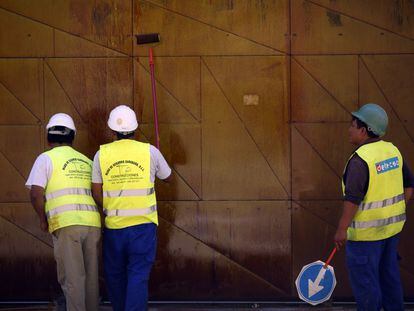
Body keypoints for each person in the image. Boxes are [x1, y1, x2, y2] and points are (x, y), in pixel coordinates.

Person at [334, 103, 414, 310]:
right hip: (390, 233)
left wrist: (342, 230)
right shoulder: (392, 151)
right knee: (389, 280)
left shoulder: (360, 160)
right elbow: (409, 185)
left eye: (352, 125)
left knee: (367, 286)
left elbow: (352, 199)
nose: (349, 130)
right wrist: (397, 209)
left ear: (364, 130)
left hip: (365, 238)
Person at [91, 105, 171, 311]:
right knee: (138, 275)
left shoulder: (101, 155)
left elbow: (96, 191)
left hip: (114, 227)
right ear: (136, 127)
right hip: (143, 228)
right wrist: (158, 157)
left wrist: (111, 207)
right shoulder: (150, 151)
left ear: (112, 130)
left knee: (115, 276)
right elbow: (167, 177)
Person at [26, 113, 101, 311]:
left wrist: (43, 220)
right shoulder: (86, 161)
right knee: (91, 278)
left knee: (73, 277)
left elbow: (35, 194)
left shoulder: (45, 158)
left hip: (67, 224)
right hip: (92, 224)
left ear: (48, 137)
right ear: (72, 137)